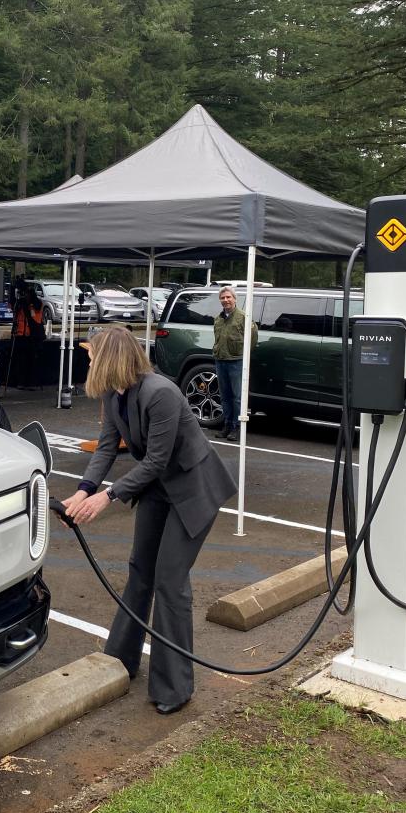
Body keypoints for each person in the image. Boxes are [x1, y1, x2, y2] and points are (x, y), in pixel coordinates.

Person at [62, 326, 236, 715]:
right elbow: (108, 445)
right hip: (159, 487)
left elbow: (156, 459)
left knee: (170, 582)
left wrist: (107, 497)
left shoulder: (161, 393)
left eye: (92, 353)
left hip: (193, 489)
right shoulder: (113, 392)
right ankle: (120, 662)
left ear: (109, 356)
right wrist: (83, 489)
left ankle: (174, 687)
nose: (88, 359)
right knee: (140, 569)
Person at [211, 286, 257, 442]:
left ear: (235, 299)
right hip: (221, 360)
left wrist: (241, 354)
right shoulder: (218, 318)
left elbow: (252, 339)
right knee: (225, 396)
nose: (226, 300)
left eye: (228, 297)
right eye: (223, 298)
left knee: (238, 397)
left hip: (236, 361)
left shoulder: (243, 317)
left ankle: (237, 427)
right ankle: (227, 425)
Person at [11, 286, 45, 390]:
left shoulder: (37, 304)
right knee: (21, 361)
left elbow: (35, 319)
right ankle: (20, 382)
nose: (25, 296)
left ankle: (31, 382)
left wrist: (26, 305)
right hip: (20, 336)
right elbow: (13, 307)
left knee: (31, 360)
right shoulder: (19, 303)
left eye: (27, 294)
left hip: (32, 337)